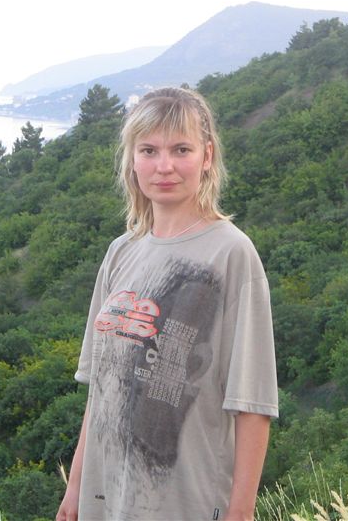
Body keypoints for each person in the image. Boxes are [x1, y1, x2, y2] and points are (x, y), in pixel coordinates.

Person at [56, 87, 278, 521]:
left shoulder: (231, 254)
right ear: (132, 160)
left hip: (186, 503)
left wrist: (241, 513)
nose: (164, 166)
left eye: (181, 149)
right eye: (149, 150)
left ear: (207, 156)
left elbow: (252, 403)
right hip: (105, 502)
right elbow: (101, 389)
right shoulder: (121, 253)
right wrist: (76, 488)